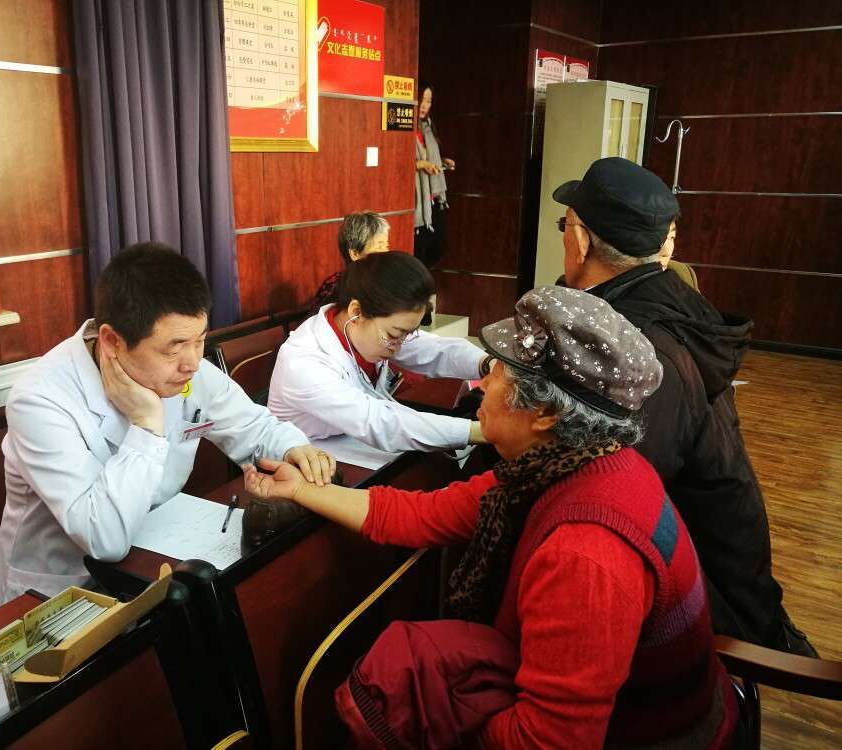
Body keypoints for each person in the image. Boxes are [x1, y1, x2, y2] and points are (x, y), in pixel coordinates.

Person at [247, 287, 740, 749]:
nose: (482, 383)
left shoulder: (585, 554)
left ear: (544, 413)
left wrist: (446, 729)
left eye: (499, 372)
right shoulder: (565, 466)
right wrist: (302, 490)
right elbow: (423, 513)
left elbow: (548, 740)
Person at [553, 156, 816, 656]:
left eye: (565, 227)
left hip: (700, 587)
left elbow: (613, 487)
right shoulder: (666, 299)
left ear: (582, 240)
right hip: (724, 556)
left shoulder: (637, 347)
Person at [0, 243, 335, 603]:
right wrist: (146, 426)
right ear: (111, 341)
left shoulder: (189, 370)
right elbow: (104, 539)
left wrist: (294, 449)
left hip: (157, 556)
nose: (192, 363)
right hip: (64, 593)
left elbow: (257, 428)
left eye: (200, 340)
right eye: (174, 348)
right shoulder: (40, 399)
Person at [269, 252, 487, 453]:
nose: (398, 346)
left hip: (350, 445)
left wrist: (487, 364)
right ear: (356, 312)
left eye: (407, 334)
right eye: (394, 334)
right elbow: (377, 422)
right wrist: (480, 431)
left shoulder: (369, 330)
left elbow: (435, 350)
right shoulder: (303, 361)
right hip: (304, 457)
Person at [311, 211, 390, 313]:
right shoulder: (335, 287)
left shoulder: (385, 280)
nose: (386, 252)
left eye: (386, 245)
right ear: (355, 253)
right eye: (379, 246)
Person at [414, 83, 454, 269]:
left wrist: (442, 161)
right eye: (422, 99)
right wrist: (420, 164)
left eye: (428, 101)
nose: (424, 105)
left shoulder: (427, 128)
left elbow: (429, 156)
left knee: (438, 247)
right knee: (419, 252)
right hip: (417, 200)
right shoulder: (406, 128)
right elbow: (395, 163)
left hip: (433, 199)